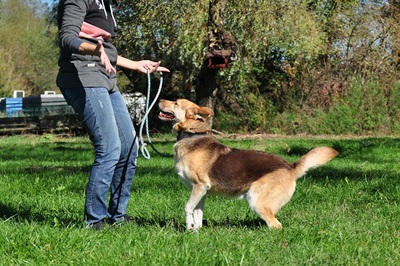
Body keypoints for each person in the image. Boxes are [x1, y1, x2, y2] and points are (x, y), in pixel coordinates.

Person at [56, 0, 170, 230]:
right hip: (82, 76)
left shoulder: (107, 3)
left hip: (105, 78)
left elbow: (105, 51)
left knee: (129, 147)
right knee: (109, 148)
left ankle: (118, 216)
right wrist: (93, 49)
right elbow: (67, 37)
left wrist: (136, 65)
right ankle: (95, 220)